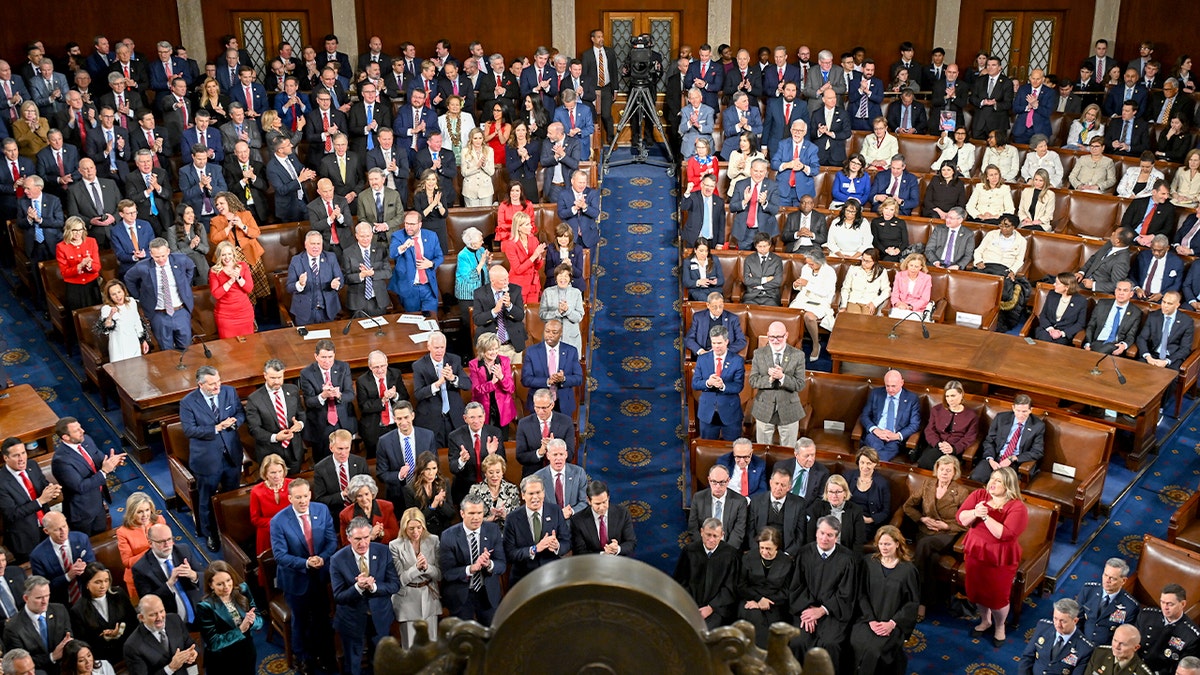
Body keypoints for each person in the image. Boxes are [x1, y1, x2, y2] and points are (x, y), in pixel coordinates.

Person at [270, 479, 336, 673]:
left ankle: (324, 654)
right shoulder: (278, 521)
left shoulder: (322, 510)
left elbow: (332, 541)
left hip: (321, 576)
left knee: (322, 618)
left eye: (305, 496)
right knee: (300, 621)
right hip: (296, 579)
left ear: (310, 495)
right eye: (298, 497)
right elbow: (280, 555)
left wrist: (322, 558)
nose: (303, 500)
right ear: (290, 498)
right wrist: (306, 563)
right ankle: (303, 658)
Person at [957, 466, 1029, 647]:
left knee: (997, 598)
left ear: (1009, 485)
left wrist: (986, 515)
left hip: (1000, 559)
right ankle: (985, 620)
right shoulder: (979, 495)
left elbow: (1004, 534)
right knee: (977, 592)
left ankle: (999, 626)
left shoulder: (1017, 507)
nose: (993, 483)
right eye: (992, 479)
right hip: (976, 552)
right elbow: (961, 518)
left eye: (998, 481)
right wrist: (975, 512)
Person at [179, 365, 244, 551]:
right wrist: (217, 428)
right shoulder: (188, 402)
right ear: (201, 384)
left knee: (231, 495)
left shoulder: (229, 392)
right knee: (206, 500)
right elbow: (189, 430)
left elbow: (239, 413)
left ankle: (230, 529)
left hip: (232, 455)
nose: (217, 387)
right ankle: (211, 534)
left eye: (218, 382)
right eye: (212, 384)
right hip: (207, 460)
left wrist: (234, 423)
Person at [902, 455, 968, 620]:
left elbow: (966, 522)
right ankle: (926, 601)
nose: (944, 473)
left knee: (924, 545)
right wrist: (922, 518)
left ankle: (911, 593)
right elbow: (908, 506)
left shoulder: (961, 492)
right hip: (926, 530)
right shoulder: (927, 484)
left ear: (954, 473)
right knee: (931, 559)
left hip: (947, 535)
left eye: (948, 470)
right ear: (936, 470)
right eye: (942, 469)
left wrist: (946, 526)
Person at [331, 517, 399, 675]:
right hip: (352, 619)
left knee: (380, 662)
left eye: (366, 538)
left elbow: (394, 585)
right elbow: (339, 596)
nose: (362, 543)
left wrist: (374, 587)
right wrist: (357, 588)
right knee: (353, 665)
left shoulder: (383, 551)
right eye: (357, 539)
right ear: (348, 538)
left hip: (380, 617)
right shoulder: (337, 560)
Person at [850, 525, 920, 673]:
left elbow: (912, 603)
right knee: (855, 642)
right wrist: (870, 620)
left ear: (897, 544)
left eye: (887, 544)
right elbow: (861, 594)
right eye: (881, 544)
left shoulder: (908, 570)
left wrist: (892, 623)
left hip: (892, 623)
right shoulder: (868, 562)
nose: (884, 547)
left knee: (875, 651)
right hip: (867, 619)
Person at [788, 515, 858, 664]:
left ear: (836, 537)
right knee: (798, 642)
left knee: (830, 644)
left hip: (833, 613)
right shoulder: (804, 553)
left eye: (830, 535)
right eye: (822, 533)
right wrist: (808, 609)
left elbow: (846, 593)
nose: (824, 538)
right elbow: (797, 586)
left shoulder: (847, 559)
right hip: (806, 609)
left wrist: (822, 610)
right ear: (816, 532)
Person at [439, 494, 507, 626]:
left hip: (487, 595)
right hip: (461, 596)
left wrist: (489, 564)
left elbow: (502, 564)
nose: (476, 517)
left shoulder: (493, 530)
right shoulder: (448, 536)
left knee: (493, 638)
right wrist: (471, 569)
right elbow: (448, 573)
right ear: (462, 513)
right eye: (471, 513)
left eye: (479, 513)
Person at [51, 418, 124, 536]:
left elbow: (100, 460)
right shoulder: (61, 461)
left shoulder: (86, 441)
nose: (83, 431)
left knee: (102, 538)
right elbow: (80, 487)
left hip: (98, 503)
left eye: (81, 427)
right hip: (82, 513)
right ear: (66, 437)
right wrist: (105, 471)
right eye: (77, 430)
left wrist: (112, 462)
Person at [122, 237, 196, 351]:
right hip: (159, 315)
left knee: (186, 349)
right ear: (150, 254)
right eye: (157, 257)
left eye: (163, 255)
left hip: (181, 311)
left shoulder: (181, 260)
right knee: (166, 351)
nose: (161, 259)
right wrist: (139, 296)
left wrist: (185, 285)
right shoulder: (143, 267)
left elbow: (191, 267)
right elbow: (128, 278)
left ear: (168, 251)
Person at [503, 474, 570, 586]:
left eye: (538, 492)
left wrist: (557, 546)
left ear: (543, 493)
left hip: (552, 574)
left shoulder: (555, 511)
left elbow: (567, 542)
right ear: (523, 495)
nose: (535, 497)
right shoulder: (512, 518)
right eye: (531, 493)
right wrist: (534, 549)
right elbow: (509, 553)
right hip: (523, 577)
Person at [196, 560, 261, 675]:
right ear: (211, 585)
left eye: (228, 580)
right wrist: (240, 629)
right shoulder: (205, 607)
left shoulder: (243, 590)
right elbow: (214, 643)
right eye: (220, 584)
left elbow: (259, 620)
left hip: (246, 651)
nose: (226, 587)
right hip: (223, 660)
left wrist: (252, 621)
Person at [748, 320, 806, 446]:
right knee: (763, 449)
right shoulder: (759, 354)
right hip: (764, 408)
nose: (775, 340)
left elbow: (800, 384)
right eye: (772, 337)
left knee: (788, 451)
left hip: (789, 408)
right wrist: (769, 379)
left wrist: (782, 377)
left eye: (779, 336)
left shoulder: (797, 355)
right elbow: (753, 381)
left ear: (786, 335)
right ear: (768, 335)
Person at [131, 523, 202, 626]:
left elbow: (205, 576)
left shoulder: (183, 550)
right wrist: (169, 584)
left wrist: (193, 575)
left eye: (169, 539)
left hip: (199, 610)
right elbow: (148, 603)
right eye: (161, 542)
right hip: (172, 621)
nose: (167, 545)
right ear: (150, 543)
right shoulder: (141, 569)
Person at [674, 517, 739, 629]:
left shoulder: (730, 555)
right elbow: (680, 581)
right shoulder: (690, 551)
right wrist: (690, 605)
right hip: (691, 605)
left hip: (717, 608)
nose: (711, 539)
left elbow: (730, 588)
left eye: (715, 536)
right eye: (708, 535)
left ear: (722, 535)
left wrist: (711, 607)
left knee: (705, 632)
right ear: (701, 532)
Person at [0, 440, 57, 565]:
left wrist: (52, 490)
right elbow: (12, 514)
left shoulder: (32, 465)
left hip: (47, 527)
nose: (22, 459)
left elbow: (43, 484)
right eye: (16, 455)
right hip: (25, 539)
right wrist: (40, 501)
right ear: (6, 458)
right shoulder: (1, 482)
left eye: (23, 453)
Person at [1136, 291, 1194, 414]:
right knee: (1136, 370)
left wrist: (1166, 361)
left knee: (1171, 378)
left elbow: (1185, 349)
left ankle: (1159, 408)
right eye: (1163, 302)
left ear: (1177, 305)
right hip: (1153, 355)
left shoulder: (1186, 322)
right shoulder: (1154, 316)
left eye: (1169, 303)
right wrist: (1148, 356)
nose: (1164, 306)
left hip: (1171, 357)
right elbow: (1142, 338)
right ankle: (1137, 402)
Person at [299, 339, 357, 464]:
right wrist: (323, 396)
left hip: (342, 421)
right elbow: (309, 401)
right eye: (323, 357)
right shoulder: (307, 373)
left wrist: (339, 395)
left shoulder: (343, 367)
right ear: (316, 356)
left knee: (345, 458)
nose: (327, 361)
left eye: (330, 357)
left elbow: (350, 395)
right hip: (320, 423)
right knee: (323, 462)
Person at [736, 526, 794, 648]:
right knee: (755, 620)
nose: (764, 552)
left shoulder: (786, 562)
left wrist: (765, 601)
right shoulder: (748, 557)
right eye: (761, 548)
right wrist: (758, 600)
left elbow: (786, 591)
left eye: (769, 549)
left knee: (773, 629)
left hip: (775, 604)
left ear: (777, 547)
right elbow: (741, 586)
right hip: (750, 600)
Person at [391, 508, 442, 649]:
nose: (416, 532)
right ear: (404, 528)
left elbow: (439, 574)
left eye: (419, 527)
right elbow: (400, 579)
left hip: (429, 597)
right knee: (410, 649)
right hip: (407, 600)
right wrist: (416, 568)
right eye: (411, 528)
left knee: (431, 647)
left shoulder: (433, 540)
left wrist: (427, 568)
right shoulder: (395, 546)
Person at [412, 330, 471, 448]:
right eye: (436, 347)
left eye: (442, 347)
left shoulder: (454, 360)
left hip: (454, 414)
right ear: (429, 347)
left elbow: (467, 384)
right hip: (432, 416)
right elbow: (418, 394)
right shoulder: (419, 365)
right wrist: (438, 384)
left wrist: (453, 378)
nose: (439, 351)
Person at [970, 394, 1046, 483]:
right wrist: (990, 459)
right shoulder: (1001, 418)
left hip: (1014, 462)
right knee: (976, 477)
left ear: (1030, 410)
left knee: (1001, 483)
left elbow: (1037, 452)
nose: (1021, 415)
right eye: (1018, 411)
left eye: (1024, 411)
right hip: (995, 457)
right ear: (1013, 408)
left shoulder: (1038, 426)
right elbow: (989, 441)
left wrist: (1013, 458)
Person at [4, 576, 72, 673]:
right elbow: (19, 663)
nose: (45, 601)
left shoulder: (59, 610)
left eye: (47, 595)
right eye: (39, 598)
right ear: (26, 598)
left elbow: (68, 639)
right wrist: (52, 656)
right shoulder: (13, 628)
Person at [29, 511, 96, 607]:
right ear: (46, 531)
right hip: (61, 603)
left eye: (64, 526)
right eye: (57, 529)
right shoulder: (38, 556)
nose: (63, 532)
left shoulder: (81, 539)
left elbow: (93, 566)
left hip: (87, 594)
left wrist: (85, 568)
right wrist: (68, 576)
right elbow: (44, 587)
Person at [122, 594, 199, 675]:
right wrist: (171, 668)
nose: (160, 617)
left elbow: (190, 643)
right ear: (141, 618)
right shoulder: (132, 646)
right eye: (153, 614)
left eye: (161, 611)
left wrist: (193, 652)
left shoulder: (174, 620)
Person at [1018, 597, 1096, 675]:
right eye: (1055, 618)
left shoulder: (1085, 648)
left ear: (1075, 621)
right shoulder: (1043, 627)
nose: (1058, 625)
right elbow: (1027, 657)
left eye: (1063, 621)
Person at [858, 369, 922, 462]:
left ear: (902, 383)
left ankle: (875, 464)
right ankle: (878, 464)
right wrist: (875, 430)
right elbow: (864, 416)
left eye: (893, 386)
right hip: (876, 435)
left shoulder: (911, 399)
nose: (890, 389)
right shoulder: (876, 393)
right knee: (873, 444)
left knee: (878, 453)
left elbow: (915, 424)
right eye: (887, 386)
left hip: (895, 438)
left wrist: (897, 436)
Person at [693, 326, 745, 440]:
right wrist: (708, 382)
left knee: (733, 450)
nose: (716, 346)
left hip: (730, 413)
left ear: (727, 341)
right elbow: (695, 383)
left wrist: (723, 386)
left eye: (719, 343)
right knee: (708, 448)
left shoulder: (737, 360)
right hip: (707, 413)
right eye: (714, 343)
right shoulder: (702, 359)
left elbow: (738, 386)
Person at [1075, 558, 1141, 647]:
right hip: (1082, 642)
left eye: (1112, 578)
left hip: (1106, 650)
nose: (1107, 580)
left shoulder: (1130, 606)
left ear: (1123, 581)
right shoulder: (1088, 591)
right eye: (1105, 575)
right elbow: (1077, 619)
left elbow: (1124, 637)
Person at [1137, 584, 1200, 675]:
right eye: (1162, 602)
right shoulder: (1146, 616)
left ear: (1182, 604)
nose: (1165, 607)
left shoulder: (1191, 636)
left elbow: (1182, 668)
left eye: (1170, 604)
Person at [915, 381, 980, 468]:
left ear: (961, 394)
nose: (950, 399)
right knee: (925, 463)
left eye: (953, 396)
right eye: (947, 396)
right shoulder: (936, 410)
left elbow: (969, 438)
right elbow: (930, 430)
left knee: (943, 467)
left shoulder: (971, 416)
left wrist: (954, 449)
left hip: (956, 450)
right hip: (936, 446)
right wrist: (938, 444)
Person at [116, 491, 165, 599]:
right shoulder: (123, 532)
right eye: (140, 512)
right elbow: (127, 562)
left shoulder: (159, 520)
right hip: (138, 578)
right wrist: (150, 551)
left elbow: (169, 543)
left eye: (147, 510)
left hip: (161, 572)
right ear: (132, 512)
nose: (145, 515)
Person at [747, 468, 806, 556]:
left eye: (783, 485)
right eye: (776, 483)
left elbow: (800, 535)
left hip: (786, 552)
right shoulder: (756, 501)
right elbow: (750, 531)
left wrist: (788, 553)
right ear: (770, 483)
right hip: (760, 550)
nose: (778, 488)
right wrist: (758, 550)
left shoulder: (799, 504)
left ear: (789, 487)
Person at [789, 250, 836, 359]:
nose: (809, 266)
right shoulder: (806, 268)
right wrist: (796, 285)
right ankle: (794, 344)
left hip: (821, 300)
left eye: (812, 264)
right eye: (808, 263)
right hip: (804, 298)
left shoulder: (829, 272)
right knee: (791, 314)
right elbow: (802, 287)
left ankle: (816, 344)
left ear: (820, 262)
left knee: (809, 317)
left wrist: (808, 284)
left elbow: (825, 292)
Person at [312, 429, 370, 516]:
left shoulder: (360, 463)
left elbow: (369, 488)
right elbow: (320, 499)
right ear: (331, 447)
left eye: (347, 448)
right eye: (340, 449)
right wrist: (342, 495)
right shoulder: (321, 468)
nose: (343, 453)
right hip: (336, 514)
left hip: (361, 511)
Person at [571, 480, 636, 556]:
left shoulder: (622, 513)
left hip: (618, 561)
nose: (602, 507)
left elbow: (631, 542)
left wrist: (617, 549)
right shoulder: (577, 520)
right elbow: (580, 551)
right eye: (597, 504)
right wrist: (603, 554)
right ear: (589, 501)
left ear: (608, 497)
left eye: (604, 502)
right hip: (591, 563)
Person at [207, 240, 254, 338]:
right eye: (223, 255)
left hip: (245, 313)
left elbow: (249, 288)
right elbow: (216, 294)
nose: (227, 257)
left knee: (249, 346)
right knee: (228, 348)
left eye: (229, 254)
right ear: (219, 256)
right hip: (225, 316)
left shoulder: (243, 266)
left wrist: (238, 278)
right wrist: (230, 281)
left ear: (233, 254)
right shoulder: (214, 271)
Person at [729, 160, 780, 250]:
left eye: (761, 171)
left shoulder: (772, 186)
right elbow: (732, 207)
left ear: (765, 172)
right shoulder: (740, 184)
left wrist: (764, 203)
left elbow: (775, 209)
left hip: (764, 231)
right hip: (744, 231)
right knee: (744, 261)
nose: (758, 174)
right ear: (751, 170)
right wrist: (744, 201)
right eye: (756, 171)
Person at [55, 217, 102, 312]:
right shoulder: (61, 247)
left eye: (80, 229)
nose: (78, 233)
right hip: (74, 288)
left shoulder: (91, 241)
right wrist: (79, 266)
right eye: (74, 230)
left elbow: (97, 266)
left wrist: (89, 266)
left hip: (91, 285)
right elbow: (64, 273)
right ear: (68, 230)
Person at [339, 474, 400, 547]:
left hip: (384, 549)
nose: (364, 499)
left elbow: (395, 533)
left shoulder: (387, 507)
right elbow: (346, 543)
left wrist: (381, 533)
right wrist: (369, 536)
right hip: (360, 553)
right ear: (355, 497)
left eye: (366, 494)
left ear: (372, 493)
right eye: (359, 496)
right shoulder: (345, 515)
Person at [846, 447, 891, 540]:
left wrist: (869, 520)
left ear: (875, 464)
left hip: (866, 523)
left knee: (852, 536)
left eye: (869, 463)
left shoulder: (882, 484)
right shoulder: (848, 476)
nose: (865, 467)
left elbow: (885, 511)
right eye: (862, 462)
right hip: (846, 517)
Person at [501, 212, 546, 304]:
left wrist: (539, 257)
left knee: (532, 314)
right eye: (527, 224)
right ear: (518, 227)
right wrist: (534, 256)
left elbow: (537, 266)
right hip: (519, 286)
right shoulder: (510, 245)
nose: (531, 227)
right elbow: (518, 269)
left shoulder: (534, 240)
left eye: (530, 223)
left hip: (533, 285)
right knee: (520, 315)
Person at [466, 452, 520, 527]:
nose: (494, 476)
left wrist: (504, 515)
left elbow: (517, 518)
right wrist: (489, 519)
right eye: (491, 472)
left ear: (502, 472)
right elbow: (470, 517)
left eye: (498, 472)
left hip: (506, 532)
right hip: (484, 531)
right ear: (485, 473)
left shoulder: (512, 489)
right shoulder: (475, 490)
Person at [541, 265, 586, 353]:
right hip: (551, 338)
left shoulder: (576, 293)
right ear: (556, 278)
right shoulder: (547, 292)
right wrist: (557, 312)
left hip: (571, 339)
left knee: (570, 365)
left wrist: (567, 311)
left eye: (566, 276)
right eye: (560, 275)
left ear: (570, 278)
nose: (563, 278)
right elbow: (542, 315)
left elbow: (579, 317)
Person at [970, 56, 1013, 140]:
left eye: (993, 65)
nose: (990, 67)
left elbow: (1008, 104)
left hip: (997, 123)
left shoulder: (1007, 82)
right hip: (980, 123)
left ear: (1000, 67)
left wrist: (996, 104)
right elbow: (972, 98)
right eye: (988, 65)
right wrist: (982, 102)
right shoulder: (980, 80)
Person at [1082, 624, 1153, 675]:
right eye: (1115, 640)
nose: (1116, 646)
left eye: (1123, 644)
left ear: (1136, 647)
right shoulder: (1100, 653)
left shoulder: (1142, 672)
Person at [1131, 235, 1183, 302]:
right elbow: (1132, 275)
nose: (1155, 253)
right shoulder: (1143, 256)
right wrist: (1137, 288)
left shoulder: (1176, 262)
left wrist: (1162, 294)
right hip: (1139, 294)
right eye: (1153, 249)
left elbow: (1177, 284)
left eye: (1159, 251)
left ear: (1167, 248)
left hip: (1162, 298)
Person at [1124, 181, 1176, 248]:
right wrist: (1137, 238)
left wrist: (1152, 237)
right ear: (1154, 192)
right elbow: (1125, 223)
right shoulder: (1137, 203)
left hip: (1151, 242)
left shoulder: (1169, 208)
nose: (1166, 197)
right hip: (1131, 237)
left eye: (1167, 194)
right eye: (1163, 194)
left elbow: (1167, 229)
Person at [839, 249, 891, 316]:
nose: (863, 263)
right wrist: (844, 305)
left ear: (874, 262)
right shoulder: (853, 269)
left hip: (870, 301)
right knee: (853, 318)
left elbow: (887, 291)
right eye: (863, 259)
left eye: (867, 261)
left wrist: (875, 303)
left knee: (865, 320)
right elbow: (845, 289)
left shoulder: (881, 271)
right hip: (854, 300)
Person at [870, 197, 908, 262]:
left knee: (888, 259)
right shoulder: (875, 222)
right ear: (882, 209)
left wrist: (897, 250)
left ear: (895, 211)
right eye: (886, 208)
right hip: (880, 251)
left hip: (896, 252)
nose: (888, 212)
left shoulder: (901, 222)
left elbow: (905, 242)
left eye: (891, 210)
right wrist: (885, 250)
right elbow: (875, 241)